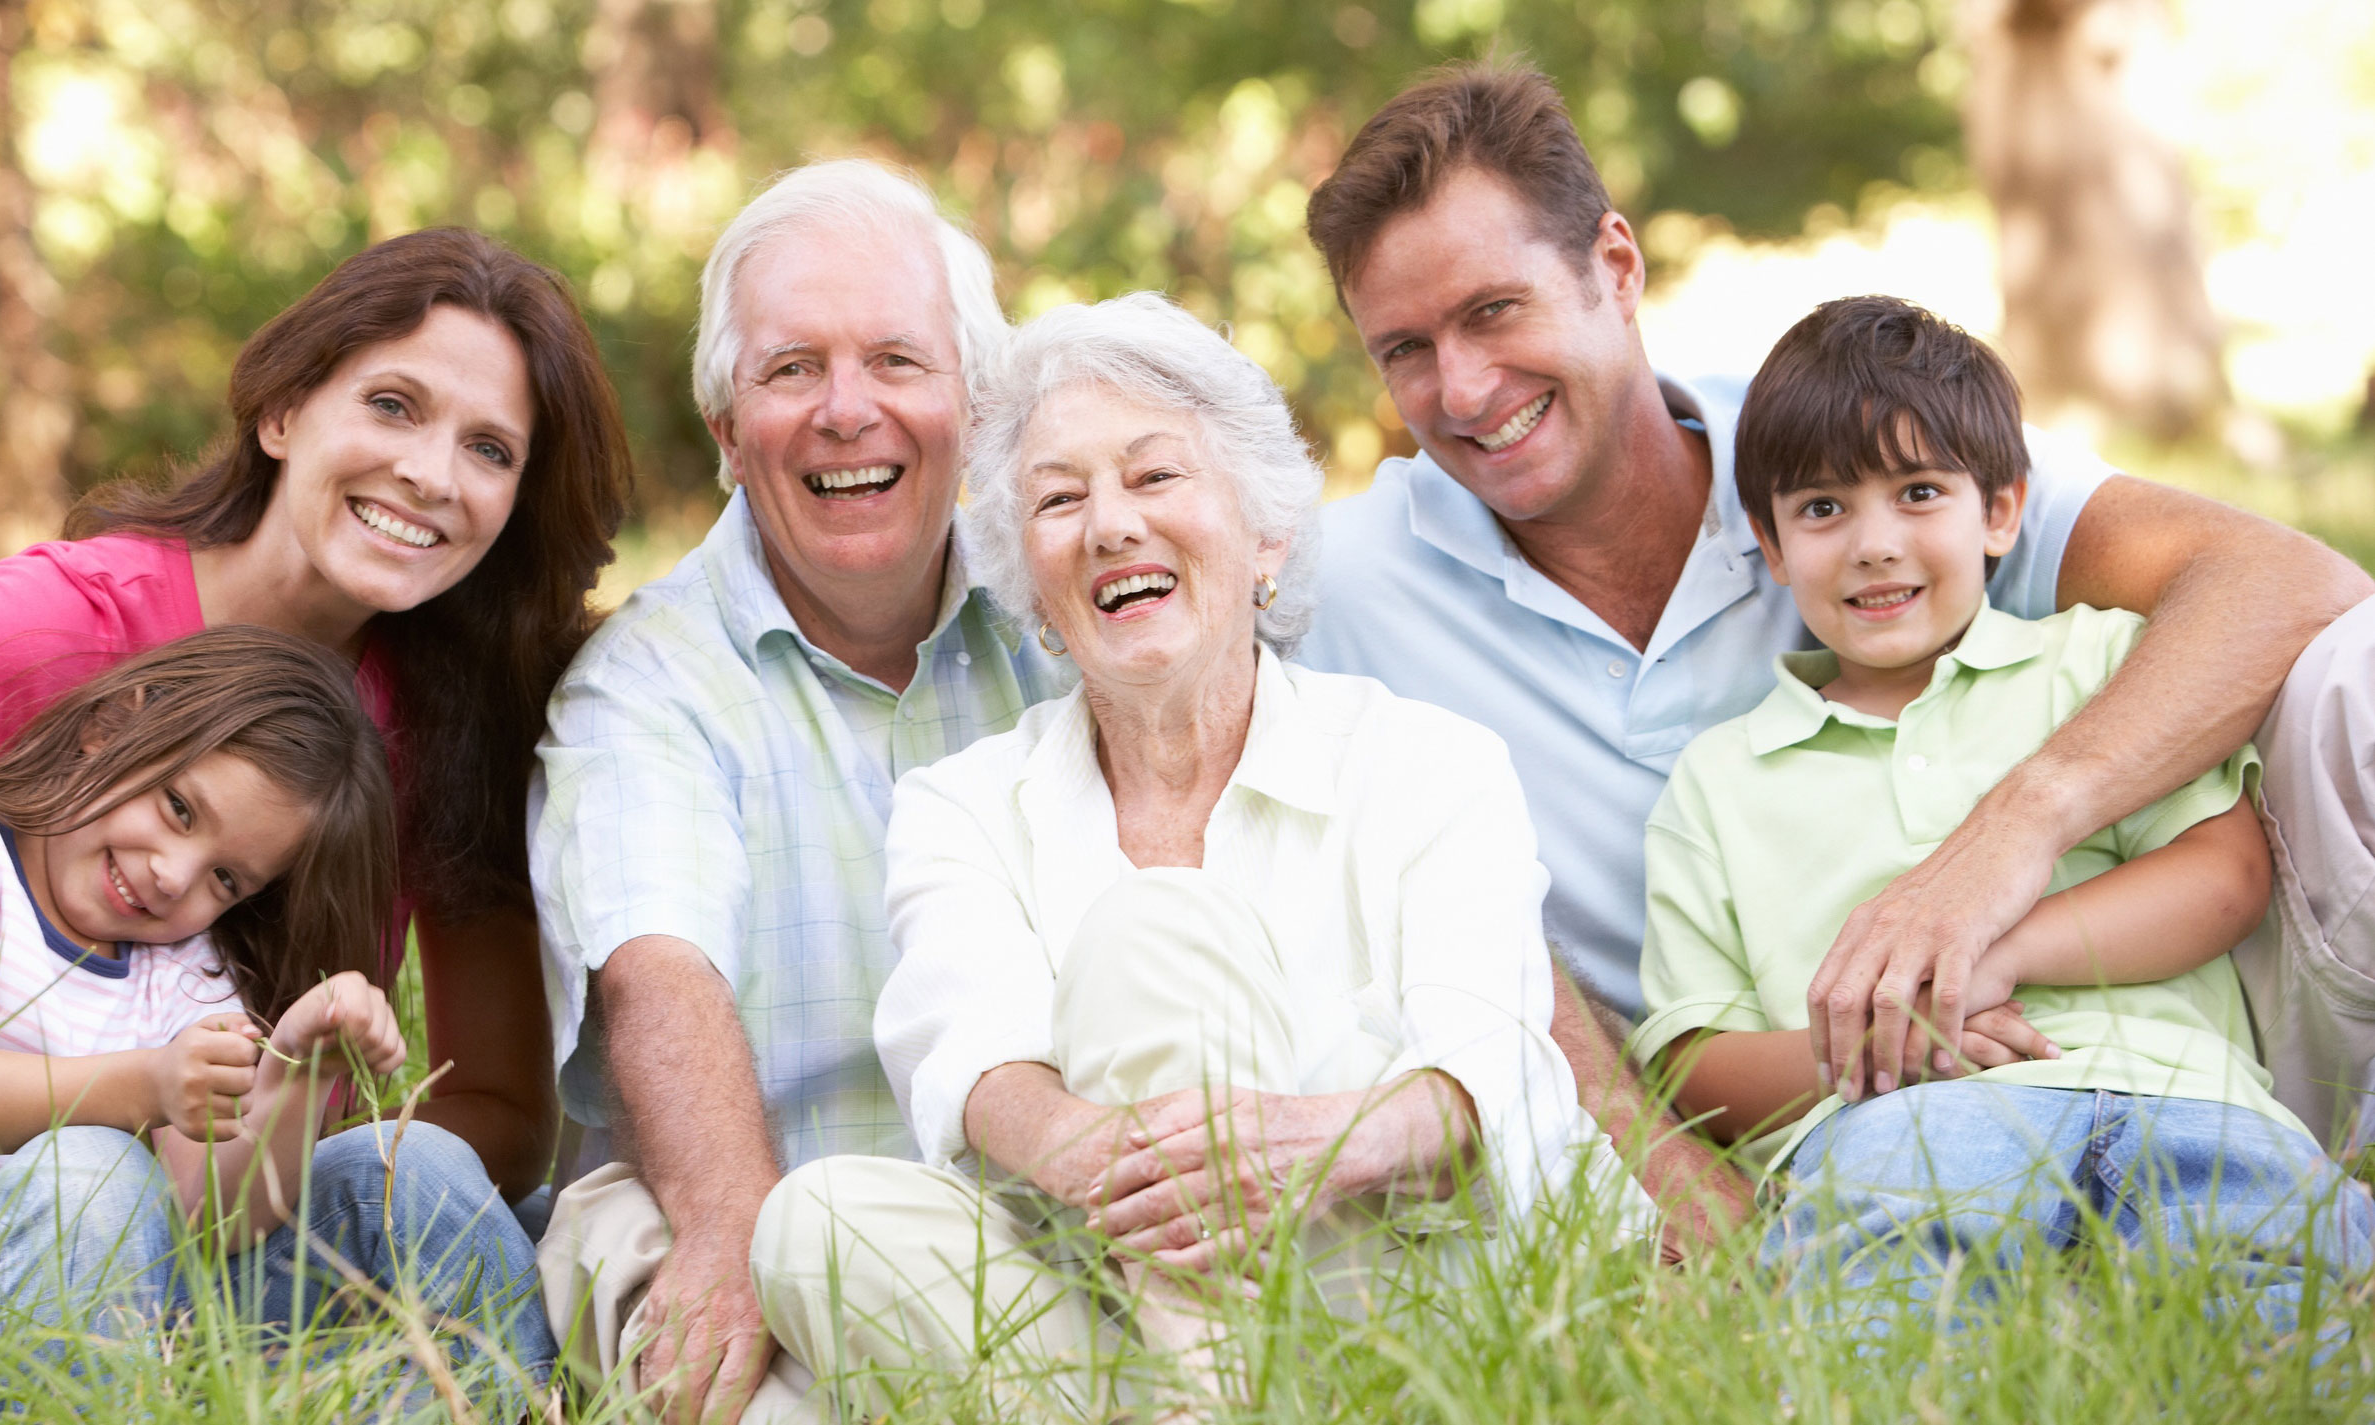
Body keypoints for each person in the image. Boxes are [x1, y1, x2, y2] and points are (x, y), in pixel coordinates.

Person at [1293, 63, 2375, 1210]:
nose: (1459, 389)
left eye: (1491, 311)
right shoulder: (1336, 588)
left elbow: (2280, 581)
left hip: (2174, 1041)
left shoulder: (1847, 445)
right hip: (1841, 1126)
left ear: (1613, 268)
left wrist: (2004, 841)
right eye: (1403, 349)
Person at [748, 293, 1656, 1416]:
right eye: (1058, 499)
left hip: (1409, 1291)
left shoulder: (1428, 763)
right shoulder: (962, 805)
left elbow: (1488, 1068)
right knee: (816, 1225)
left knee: (1149, 929)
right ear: (1030, 586)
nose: (1110, 525)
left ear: (1265, 533)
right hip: (1117, 1293)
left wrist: (1304, 1146)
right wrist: (1098, 1156)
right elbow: (970, 1055)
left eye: (1153, 476)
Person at [0, 227, 631, 1219]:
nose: (430, 474)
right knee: (90, 1185)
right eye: (390, 406)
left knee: (514, 1207)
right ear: (284, 412)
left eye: (489, 450)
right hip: (18, 1213)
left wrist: (299, 1191)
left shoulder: (460, 713)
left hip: (249, 1222)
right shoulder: (56, 629)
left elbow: (495, 1111)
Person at [1629, 295, 2372, 1329]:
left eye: (1917, 492)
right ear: (1766, 538)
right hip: (1899, 1125)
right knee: (1881, 1323)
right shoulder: (1717, 781)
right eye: (1821, 509)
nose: (1872, 544)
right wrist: (1893, 1039)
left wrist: (1996, 955)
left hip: (2183, 1095)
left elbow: (2225, 879)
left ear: (2000, 512)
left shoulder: (2095, 667)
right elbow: (1691, 1062)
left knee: (2298, 1322)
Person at [529, 159, 1061, 1425]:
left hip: (1024, 1220)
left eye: (895, 360)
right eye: (789, 369)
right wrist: (733, 1235)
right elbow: (657, 966)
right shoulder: (646, 683)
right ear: (725, 430)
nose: (844, 411)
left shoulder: (1065, 626)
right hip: (721, 1205)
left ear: (975, 408)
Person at [0, 626, 553, 1396]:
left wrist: (298, 1073)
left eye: (227, 878)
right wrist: (150, 1082)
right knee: (90, 1167)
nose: (175, 877)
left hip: (132, 1328)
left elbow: (210, 1220)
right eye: (179, 808)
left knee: (414, 1163)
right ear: (111, 725)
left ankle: (506, 1399)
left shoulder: (190, 964)